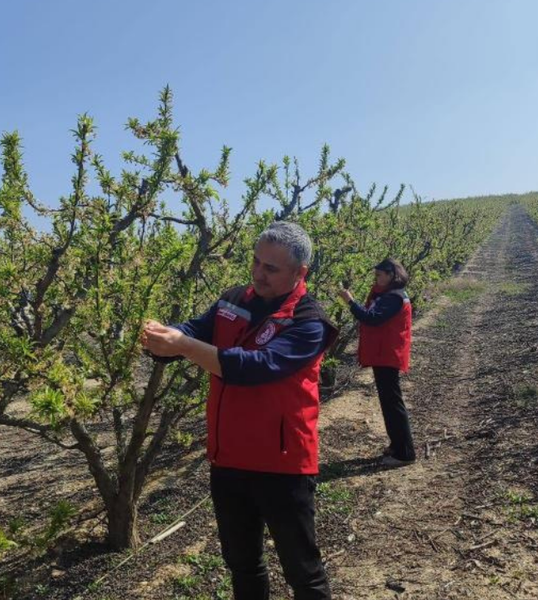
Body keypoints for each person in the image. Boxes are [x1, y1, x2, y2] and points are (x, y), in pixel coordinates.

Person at [141, 221, 336, 600]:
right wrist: (164, 337)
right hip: (228, 459)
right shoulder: (234, 300)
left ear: (301, 273)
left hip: (282, 463)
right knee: (242, 562)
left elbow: (257, 367)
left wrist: (182, 345)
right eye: (256, 262)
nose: (258, 274)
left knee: (302, 570)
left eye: (271, 268)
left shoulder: (309, 321)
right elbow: (197, 328)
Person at [339, 258, 416, 467]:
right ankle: (398, 445)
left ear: (391, 274)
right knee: (388, 401)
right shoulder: (389, 295)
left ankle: (405, 453)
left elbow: (372, 318)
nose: (377, 279)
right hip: (384, 353)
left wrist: (350, 302)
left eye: (380, 275)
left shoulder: (394, 297)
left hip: (388, 354)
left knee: (392, 403)